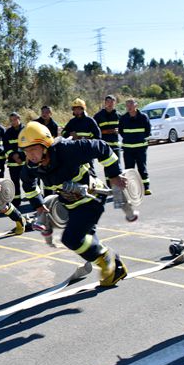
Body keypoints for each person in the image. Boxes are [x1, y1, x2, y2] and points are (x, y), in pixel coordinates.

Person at [18, 121, 128, 286]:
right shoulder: (32, 166)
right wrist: (38, 205)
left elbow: (102, 147)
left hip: (92, 197)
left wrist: (114, 175)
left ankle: (110, 261)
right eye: (26, 151)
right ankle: (115, 267)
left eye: (33, 149)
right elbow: (27, 183)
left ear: (45, 145)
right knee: (85, 238)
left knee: (71, 239)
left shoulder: (67, 150)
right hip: (71, 204)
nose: (30, 155)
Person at [119, 98, 151, 195]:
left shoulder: (143, 117)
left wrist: (139, 138)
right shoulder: (123, 118)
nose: (129, 107)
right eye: (127, 105)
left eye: (131, 105)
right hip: (128, 149)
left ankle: (146, 188)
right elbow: (121, 132)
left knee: (142, 168)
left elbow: (148, 131)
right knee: (129, 169)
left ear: (136, 105)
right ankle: (132, 190)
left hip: (141, 148)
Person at [3, 112, 25, 208]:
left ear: (19, 118)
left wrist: (21, 156)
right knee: (15, 184)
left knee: (28, 182)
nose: (13, 122)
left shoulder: (26, 130)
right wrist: (14, 156)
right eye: (11, 120)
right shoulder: (8, 132)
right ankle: (16, 202)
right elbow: (6, 147)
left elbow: (28, 145)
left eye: (15, 119)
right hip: (13, 164)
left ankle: (33, 202)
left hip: (25, 162)